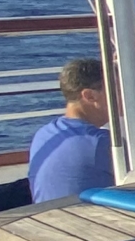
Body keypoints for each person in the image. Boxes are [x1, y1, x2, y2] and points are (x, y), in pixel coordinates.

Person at [25, 57, 114, 200]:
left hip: (48, 219)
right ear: (90, 96)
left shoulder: (44, 134)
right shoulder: (101, 143)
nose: (123, 95)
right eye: (117, 88)